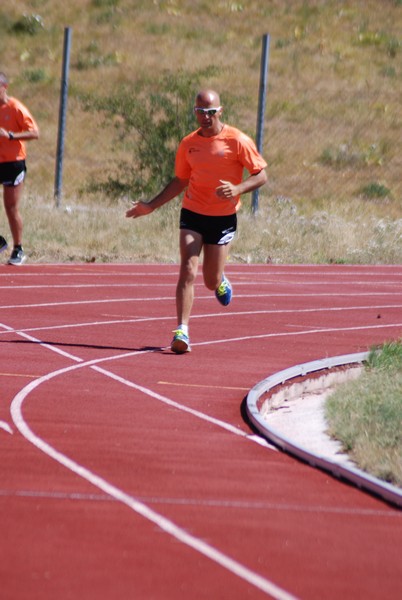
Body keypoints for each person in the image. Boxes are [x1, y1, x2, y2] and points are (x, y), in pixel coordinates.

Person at [126, 89, 267, 353]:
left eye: (210, 112)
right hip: (192, 213)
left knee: (210, 281)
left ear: (220, 112)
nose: (204, 117)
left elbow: (261, 175)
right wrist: (151, 206)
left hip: (223, 218)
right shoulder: (188, 143)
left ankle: (220, 280)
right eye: (199, 112)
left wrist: (237, 189)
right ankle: (182, 331)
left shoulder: (237, 140)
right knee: (187, 270)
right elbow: (180, 180)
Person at [0, 71, 39, 265]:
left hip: (13, 162)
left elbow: (34, 133)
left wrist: (11, 136)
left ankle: (18, 248)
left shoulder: (15, 108)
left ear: (4, 87)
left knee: (10, 207)